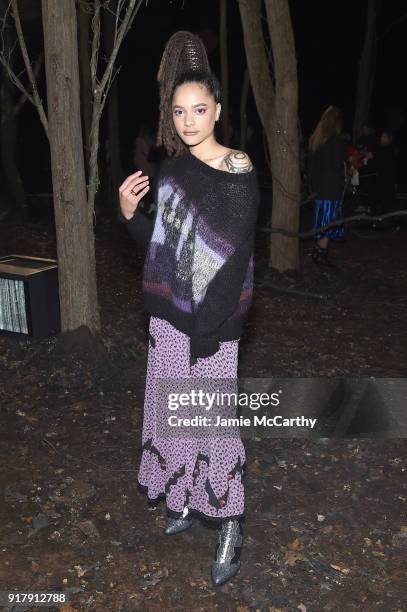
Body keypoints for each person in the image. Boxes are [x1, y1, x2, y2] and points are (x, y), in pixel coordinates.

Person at [117, 65, 259, 585]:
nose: (189, 120)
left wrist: (207, 332)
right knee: (176, 420)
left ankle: (229, 522)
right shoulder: (173, 172)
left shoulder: (235, 168)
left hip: (212, 326)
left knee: (214, 426)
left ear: (218, 110)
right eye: (179, 111)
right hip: (169, 320)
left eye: (200, 109)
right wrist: (130, 213)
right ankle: (185, 499)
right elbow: (162, 251)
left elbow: (231, 256)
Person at [307, 106, 346, 266]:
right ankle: (321, 254)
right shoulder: (335, 140)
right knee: (327, 221)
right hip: (332, 188)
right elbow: (337, 165)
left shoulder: (316, 140)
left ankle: (318, 251)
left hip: (320, 188)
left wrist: (313, 186)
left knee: (323, 220)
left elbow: (311, 167)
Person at [368, 130, 397, 216]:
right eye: (381, 136)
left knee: (380, 200)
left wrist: (370, 159)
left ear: (389, 139)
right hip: (386, 178)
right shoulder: (389, 149)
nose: (381, 138)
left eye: (384, 137)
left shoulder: (386, 149)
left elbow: (377, 163)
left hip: (383, 179)